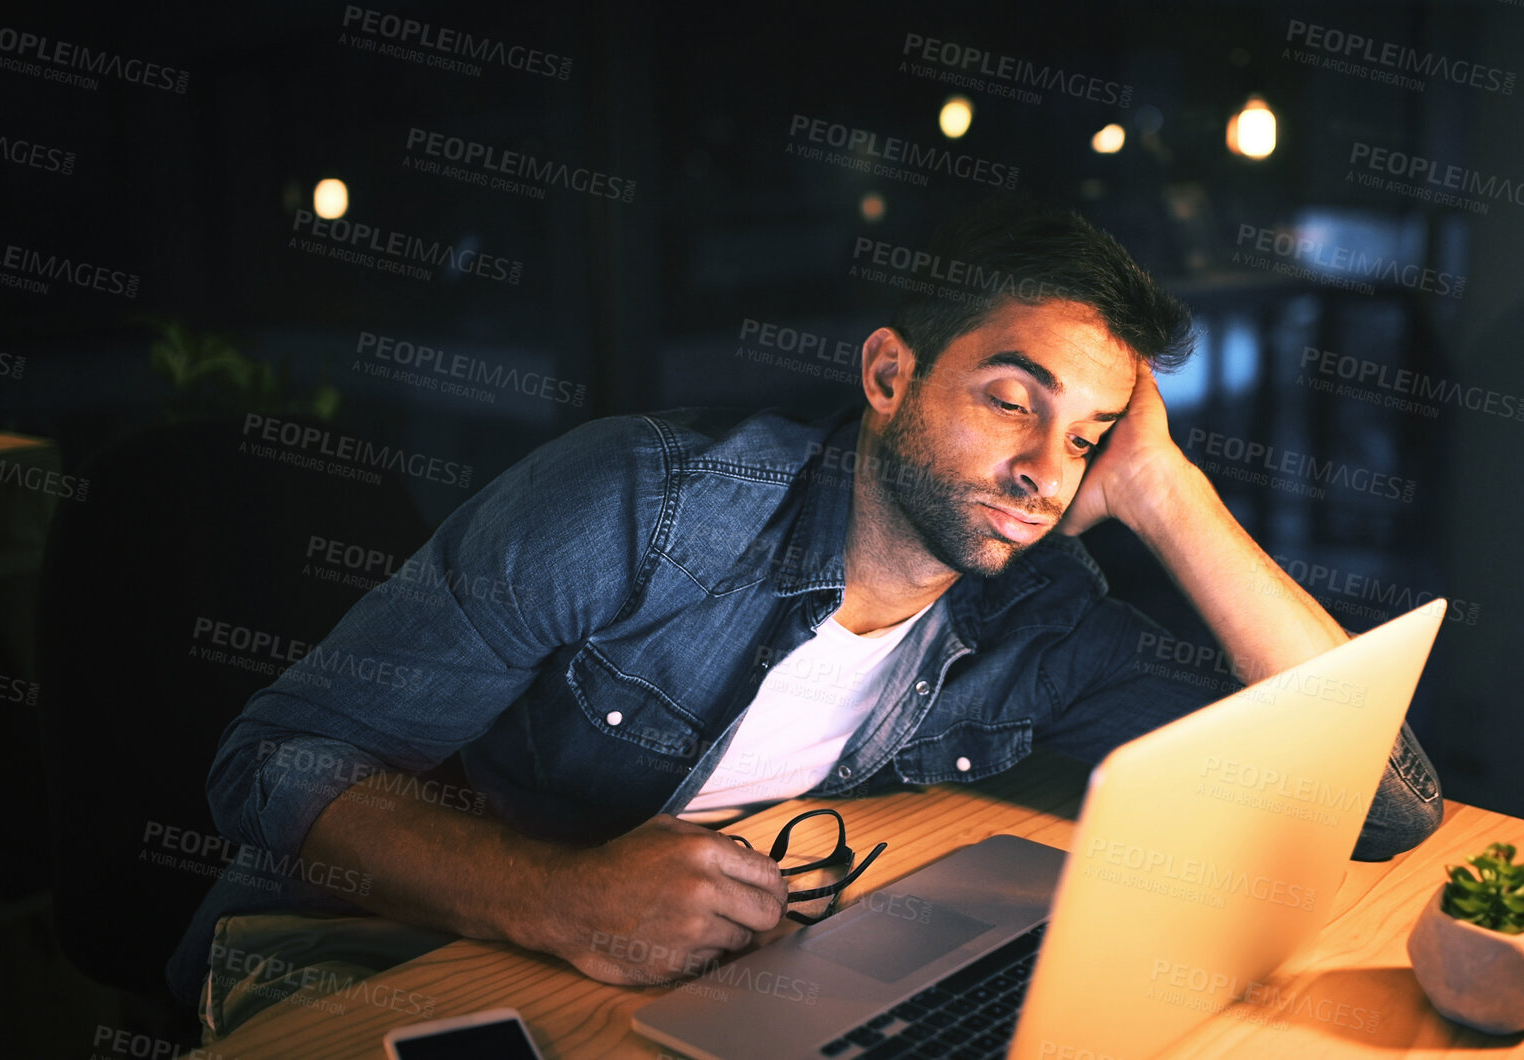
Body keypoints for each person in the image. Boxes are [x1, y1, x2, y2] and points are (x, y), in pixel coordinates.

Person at [168, 198, 1443, 1033]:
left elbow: (1376, 806)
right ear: (889, 375)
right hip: (379, 973)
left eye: (1086, 437)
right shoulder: (638, 505)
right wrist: (564, 899)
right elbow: (270, 764)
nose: (1043, 474)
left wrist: (1170, 494)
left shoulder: (1037, 621)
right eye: (1013, 402)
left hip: (676, 994)